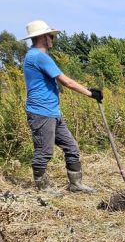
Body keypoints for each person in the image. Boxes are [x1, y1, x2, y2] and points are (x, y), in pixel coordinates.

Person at [22, 20, 102, 193]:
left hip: (52, 111)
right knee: (44, 151)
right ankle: (43, 189)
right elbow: (67, 82)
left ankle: (76, 184)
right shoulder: (38, 56)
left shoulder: (34, 56)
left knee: (71, 147)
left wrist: (88, 90)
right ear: (42, 37)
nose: (53, 38)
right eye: (50, 35)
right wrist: (90, 93)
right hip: (41, 112)